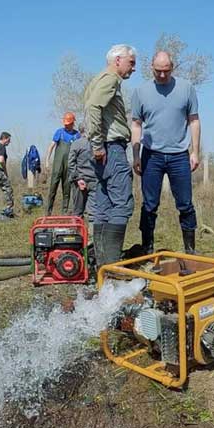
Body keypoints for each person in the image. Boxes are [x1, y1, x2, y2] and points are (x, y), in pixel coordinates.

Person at [131, 51, 200, 254]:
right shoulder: (141, 92)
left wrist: (195, 151)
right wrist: (135, 155)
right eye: (158, 71)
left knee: (185, 204)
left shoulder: (186, 88)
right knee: (149, 205)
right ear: (152, 68)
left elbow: (194, 120)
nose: (162, 75)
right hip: (151, 155)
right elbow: (136, 124)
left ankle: (190, 250)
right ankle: (147, 248)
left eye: (166, 71)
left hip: (179, 154)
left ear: (172, 67)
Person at [84, 44, 136, 266]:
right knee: (121, 204)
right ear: (118, 60)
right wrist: (97, 144)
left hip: (103, 150)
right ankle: (112, 266)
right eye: (131, 63)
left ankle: (101, 264)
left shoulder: (97, 79)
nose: (133, 69)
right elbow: (93, 108)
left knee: (103, 205)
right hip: (110, 148)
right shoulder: (111, 79)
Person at [45, 112, 80, 215]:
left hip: (70, 165)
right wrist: (47, 160)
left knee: (67, 188)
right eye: (65, 123)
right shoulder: (59, 132)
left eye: (68, 123)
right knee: (53, 186)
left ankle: (64, 212)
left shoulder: (77, 135)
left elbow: (79, 150)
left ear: (73, 123)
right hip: (58, 165)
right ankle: (48, 211)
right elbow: (51, 146)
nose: (66, 125)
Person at [67, 123, 97, 219]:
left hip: (79, 182)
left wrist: (78, 178)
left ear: (80, 131)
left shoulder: (76, 144)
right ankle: (93, 233)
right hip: (94, 181)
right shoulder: (97, 144)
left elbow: (71, 164)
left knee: (77, 213)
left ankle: (77, 233)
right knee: (93, 213)